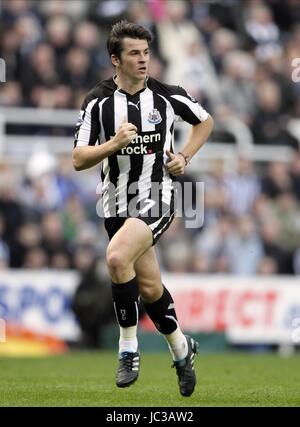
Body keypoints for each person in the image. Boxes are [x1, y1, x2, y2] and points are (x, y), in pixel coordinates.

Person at [72, 20, 213, 397]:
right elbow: (78, 158)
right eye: (134, 53)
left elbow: (205, 122)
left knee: (117, 259)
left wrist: (184, 155)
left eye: (146, 52)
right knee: (149, 287)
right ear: (115, 59)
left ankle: (127, 349)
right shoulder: (97, 101)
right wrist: (112, 145)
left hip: (159, 195)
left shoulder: (167, 95)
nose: (143, 60)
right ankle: (183, 351)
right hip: (115, 202)